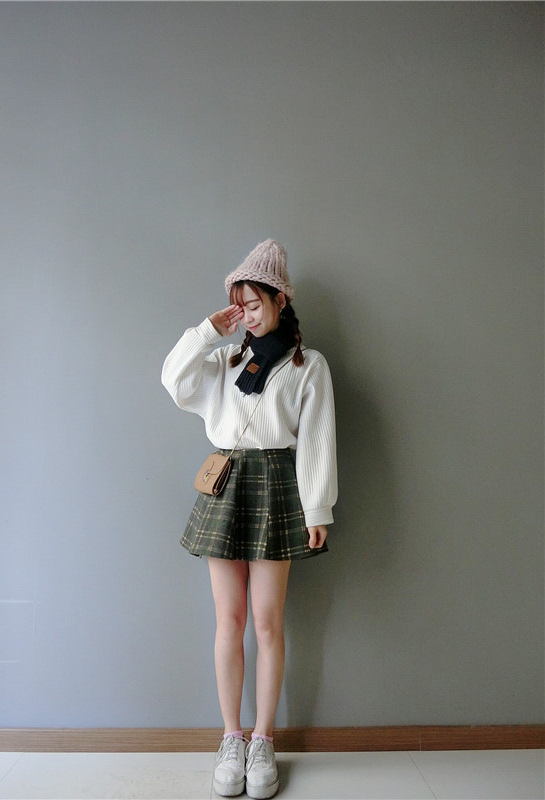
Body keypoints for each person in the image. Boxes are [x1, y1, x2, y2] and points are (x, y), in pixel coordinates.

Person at [162, 240, 337, 799]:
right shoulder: (225, 361)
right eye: (240, 305)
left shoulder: (308, 365)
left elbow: (317, 440)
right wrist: (208, 332)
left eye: (255, 304)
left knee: (267, 623)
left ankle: (263, 739)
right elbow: (173, 381)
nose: (248, 314)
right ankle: (230, 737)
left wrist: (318, 508)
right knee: (229, 621)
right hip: (227, 487)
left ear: (281, 299)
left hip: (278, 488)